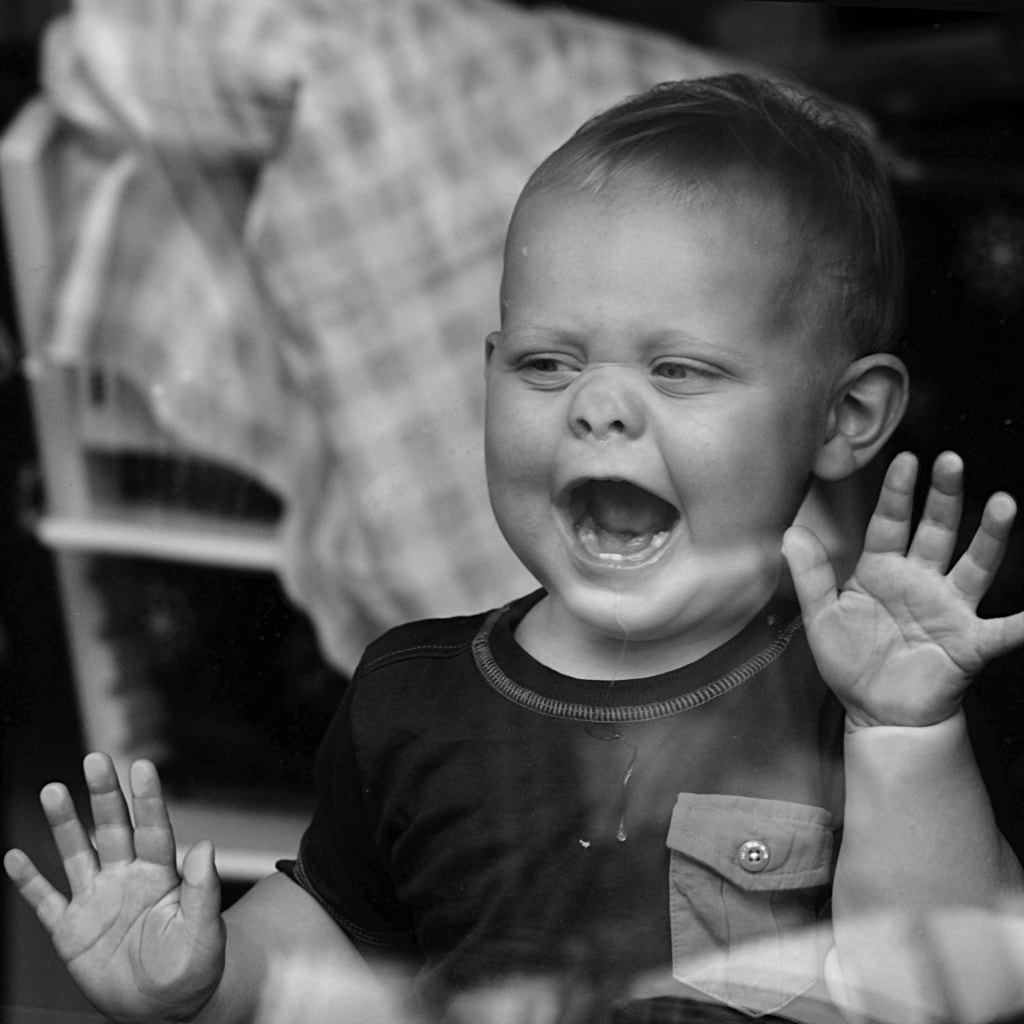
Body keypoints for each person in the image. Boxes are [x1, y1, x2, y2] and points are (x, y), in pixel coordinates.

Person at [7, 74, 1024, 1024]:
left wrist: (901, 738)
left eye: (677, 368)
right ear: (489, 371)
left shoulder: (855, 695)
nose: (596, 408)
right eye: (546, 362)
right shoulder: (409, 696)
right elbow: (337, 932)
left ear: (844, 415)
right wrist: (210, 975)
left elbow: (952, 988)